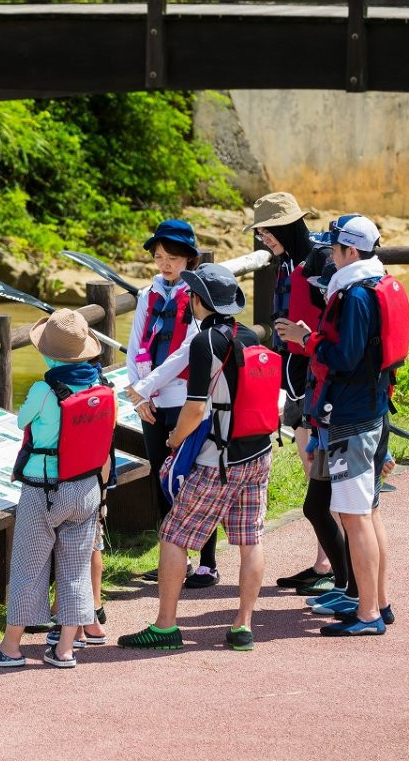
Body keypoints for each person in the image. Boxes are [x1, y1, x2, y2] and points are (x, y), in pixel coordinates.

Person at [118, 264, 276, 651]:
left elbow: (194, 408)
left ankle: (166, 627)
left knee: (173, 535)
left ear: (200, 300)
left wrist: (175, 438)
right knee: (249, 538)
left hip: (219, 459)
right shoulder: (247, 334)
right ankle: (242, 626)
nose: (187, 299)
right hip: (258, 452)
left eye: (191, 294)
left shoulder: (207, 342)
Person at [276, 215, 406, 636]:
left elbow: (343, 357)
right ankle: (377, 603)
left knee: (354, 516)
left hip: (351, 417)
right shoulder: (376, 283)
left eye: (334, 248)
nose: (330, 255)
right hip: (372, 411)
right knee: (368, 513)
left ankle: (367, 613)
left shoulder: (354, 295)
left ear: (351, 251)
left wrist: (306, 338)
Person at [0, 310, 115, 669]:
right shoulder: (102, 388)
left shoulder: (44, 390)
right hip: (86, 489)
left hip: (44, 489)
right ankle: (64, 649)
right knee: (76, 568)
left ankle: (10, 648)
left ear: (48, 354)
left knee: (28, 567)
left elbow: (22, 420)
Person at [246, 192, 342, 595]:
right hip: (297, 377)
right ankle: (325, 563)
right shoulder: (288, 261)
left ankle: (338, 568)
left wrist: (305, 337)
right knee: (311, 470)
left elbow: (335, 322)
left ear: (286, 226)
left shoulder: (320, 261)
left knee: (325, 477)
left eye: (267, 230)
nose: (264, 238)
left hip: (320, 379)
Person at [122, 219, 219, 587]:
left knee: (194, 477)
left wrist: (146, 386)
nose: (166, 264)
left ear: (189, 259)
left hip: (184, 398)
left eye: (174, 258)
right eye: (160, 257)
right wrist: (140, 393)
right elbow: (135, 345)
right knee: (162, 478)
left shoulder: (197, 297)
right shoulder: (148, 294)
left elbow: (185, 351)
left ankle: (207, 562)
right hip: (151, 401)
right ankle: (172, 559)